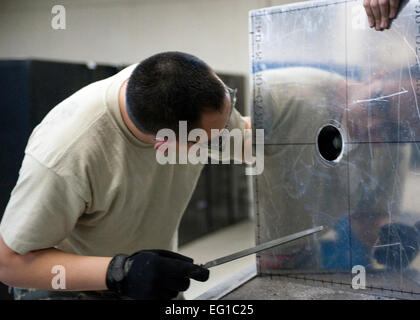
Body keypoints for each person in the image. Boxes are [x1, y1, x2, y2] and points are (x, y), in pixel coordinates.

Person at [0, 52, 250, 300]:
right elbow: (10, 263)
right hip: (71, 287)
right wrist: (122, 272)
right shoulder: (66, 154)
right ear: (164, 145)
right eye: (212, 138)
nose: (226, 133)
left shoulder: (180, 92)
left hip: (146, 276)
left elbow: (251, 143)